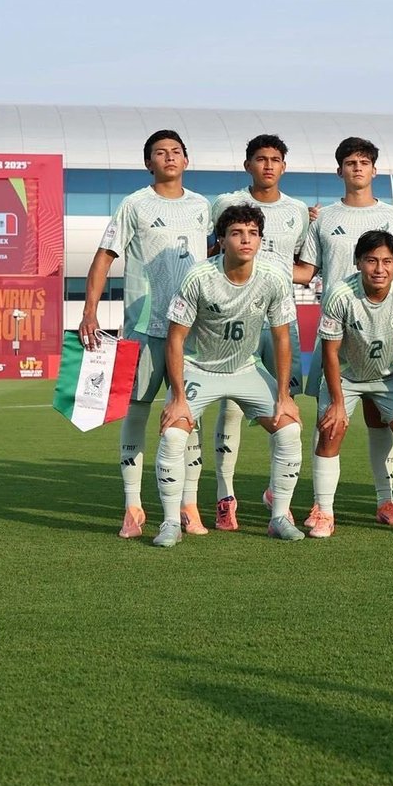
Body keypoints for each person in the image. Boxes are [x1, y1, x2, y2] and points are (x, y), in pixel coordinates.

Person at [78, 129, 211, 539]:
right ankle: (132, 506)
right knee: (136, 411)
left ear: (186, 161)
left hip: (193, 329)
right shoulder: (134, 204)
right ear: (148, 163)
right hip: (144, 325)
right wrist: (89, 311)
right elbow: (104, 256)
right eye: (159, 152)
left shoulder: (203, 206)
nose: (168, 157)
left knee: (193, 416)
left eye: (175, 151)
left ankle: (189, 503)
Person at [151, 204, 303, 547]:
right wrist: (176, 397)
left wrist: (283, 394)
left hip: (246, 368)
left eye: (252, 233)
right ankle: (171, 522)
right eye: (236, 233)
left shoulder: (274, 278)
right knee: (174, 436)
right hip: (199, 368)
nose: (245, 239)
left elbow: (281, 336)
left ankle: (279, 516)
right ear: (221, 240)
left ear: (260, 240)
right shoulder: (199, 277)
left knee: (289, 429)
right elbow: (175, 338)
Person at [292, 136, 393, 527]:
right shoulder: (324, 218)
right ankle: (321, 506)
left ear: (374, 170)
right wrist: (258, 260)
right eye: (350, 162)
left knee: (384, 420)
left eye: (364, 162)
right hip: (337, 337)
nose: (357, 168)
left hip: (384, 339)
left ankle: (387, 502)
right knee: (329, 422)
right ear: (339, 170)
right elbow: (305, 272)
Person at [209, 135, 310, 531]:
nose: (268, 166)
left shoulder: (298, 211)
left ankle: (275, 493)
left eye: (276, 160)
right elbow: (212, 254)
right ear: (247, 164)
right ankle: (224, 495)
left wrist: (275, 275)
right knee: (231, 406)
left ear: (284, 166)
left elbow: (306, 268)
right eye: (261, 159)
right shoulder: (226, 204)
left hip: (280, 320)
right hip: (236, 320)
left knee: (282, 407)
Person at [306, 230, 393, 538]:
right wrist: (336, 402)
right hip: (345, 376)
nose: (379, 269)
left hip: (388, 376)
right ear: (358, 262)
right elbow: (330, 352)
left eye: (387, 261)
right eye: (371, 260)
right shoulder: (340, 294)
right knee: (331, 431)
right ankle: (324, 513)